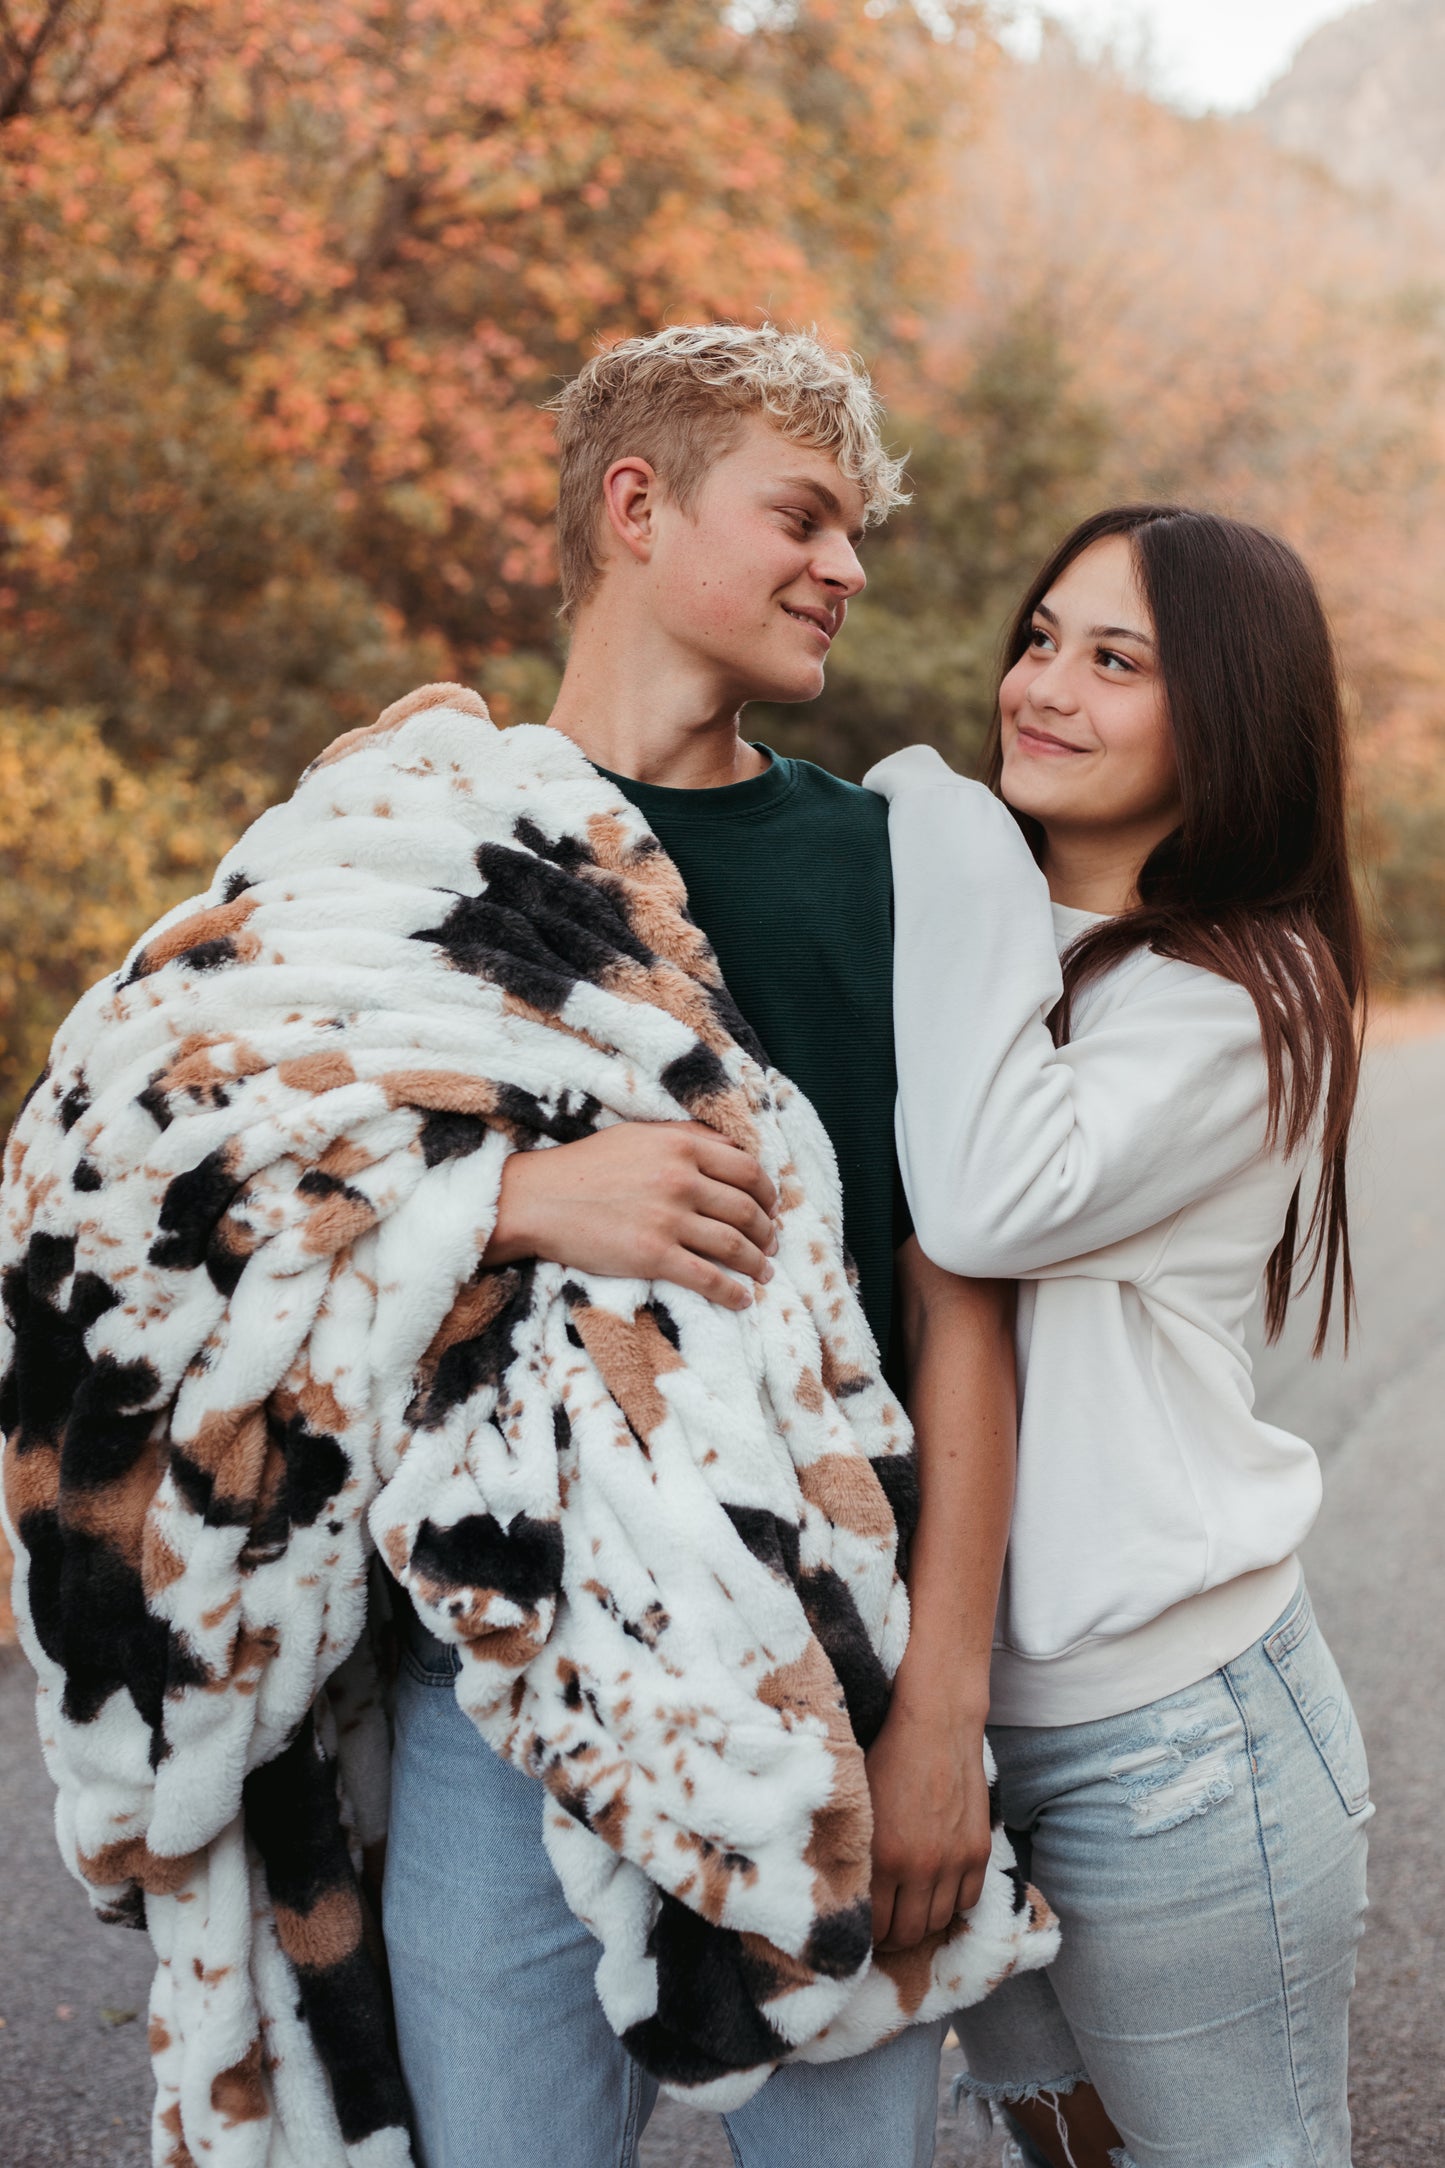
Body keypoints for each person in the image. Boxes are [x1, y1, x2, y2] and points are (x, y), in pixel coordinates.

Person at [374, 324, 1048, 2166]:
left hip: (825, 1674)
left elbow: (961, 1305)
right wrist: (506, 1201)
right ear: (636, 504)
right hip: (494, 1674)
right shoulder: (414, 841)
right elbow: (179, 1221)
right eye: (804, 516)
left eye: (856, 532)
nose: (848, 567)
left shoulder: (887, 862)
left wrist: (939, 1720)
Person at [865, 504, 1372, 2168]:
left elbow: (985, 1205)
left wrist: (928, 817)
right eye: (1037, 639)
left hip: (1172, 1729)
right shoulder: (982, 934)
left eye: (1114, 660)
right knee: (1064, 2154)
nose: (1040, 687)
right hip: (942, 1708)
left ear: (1222, 715)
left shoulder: (1240, 993)